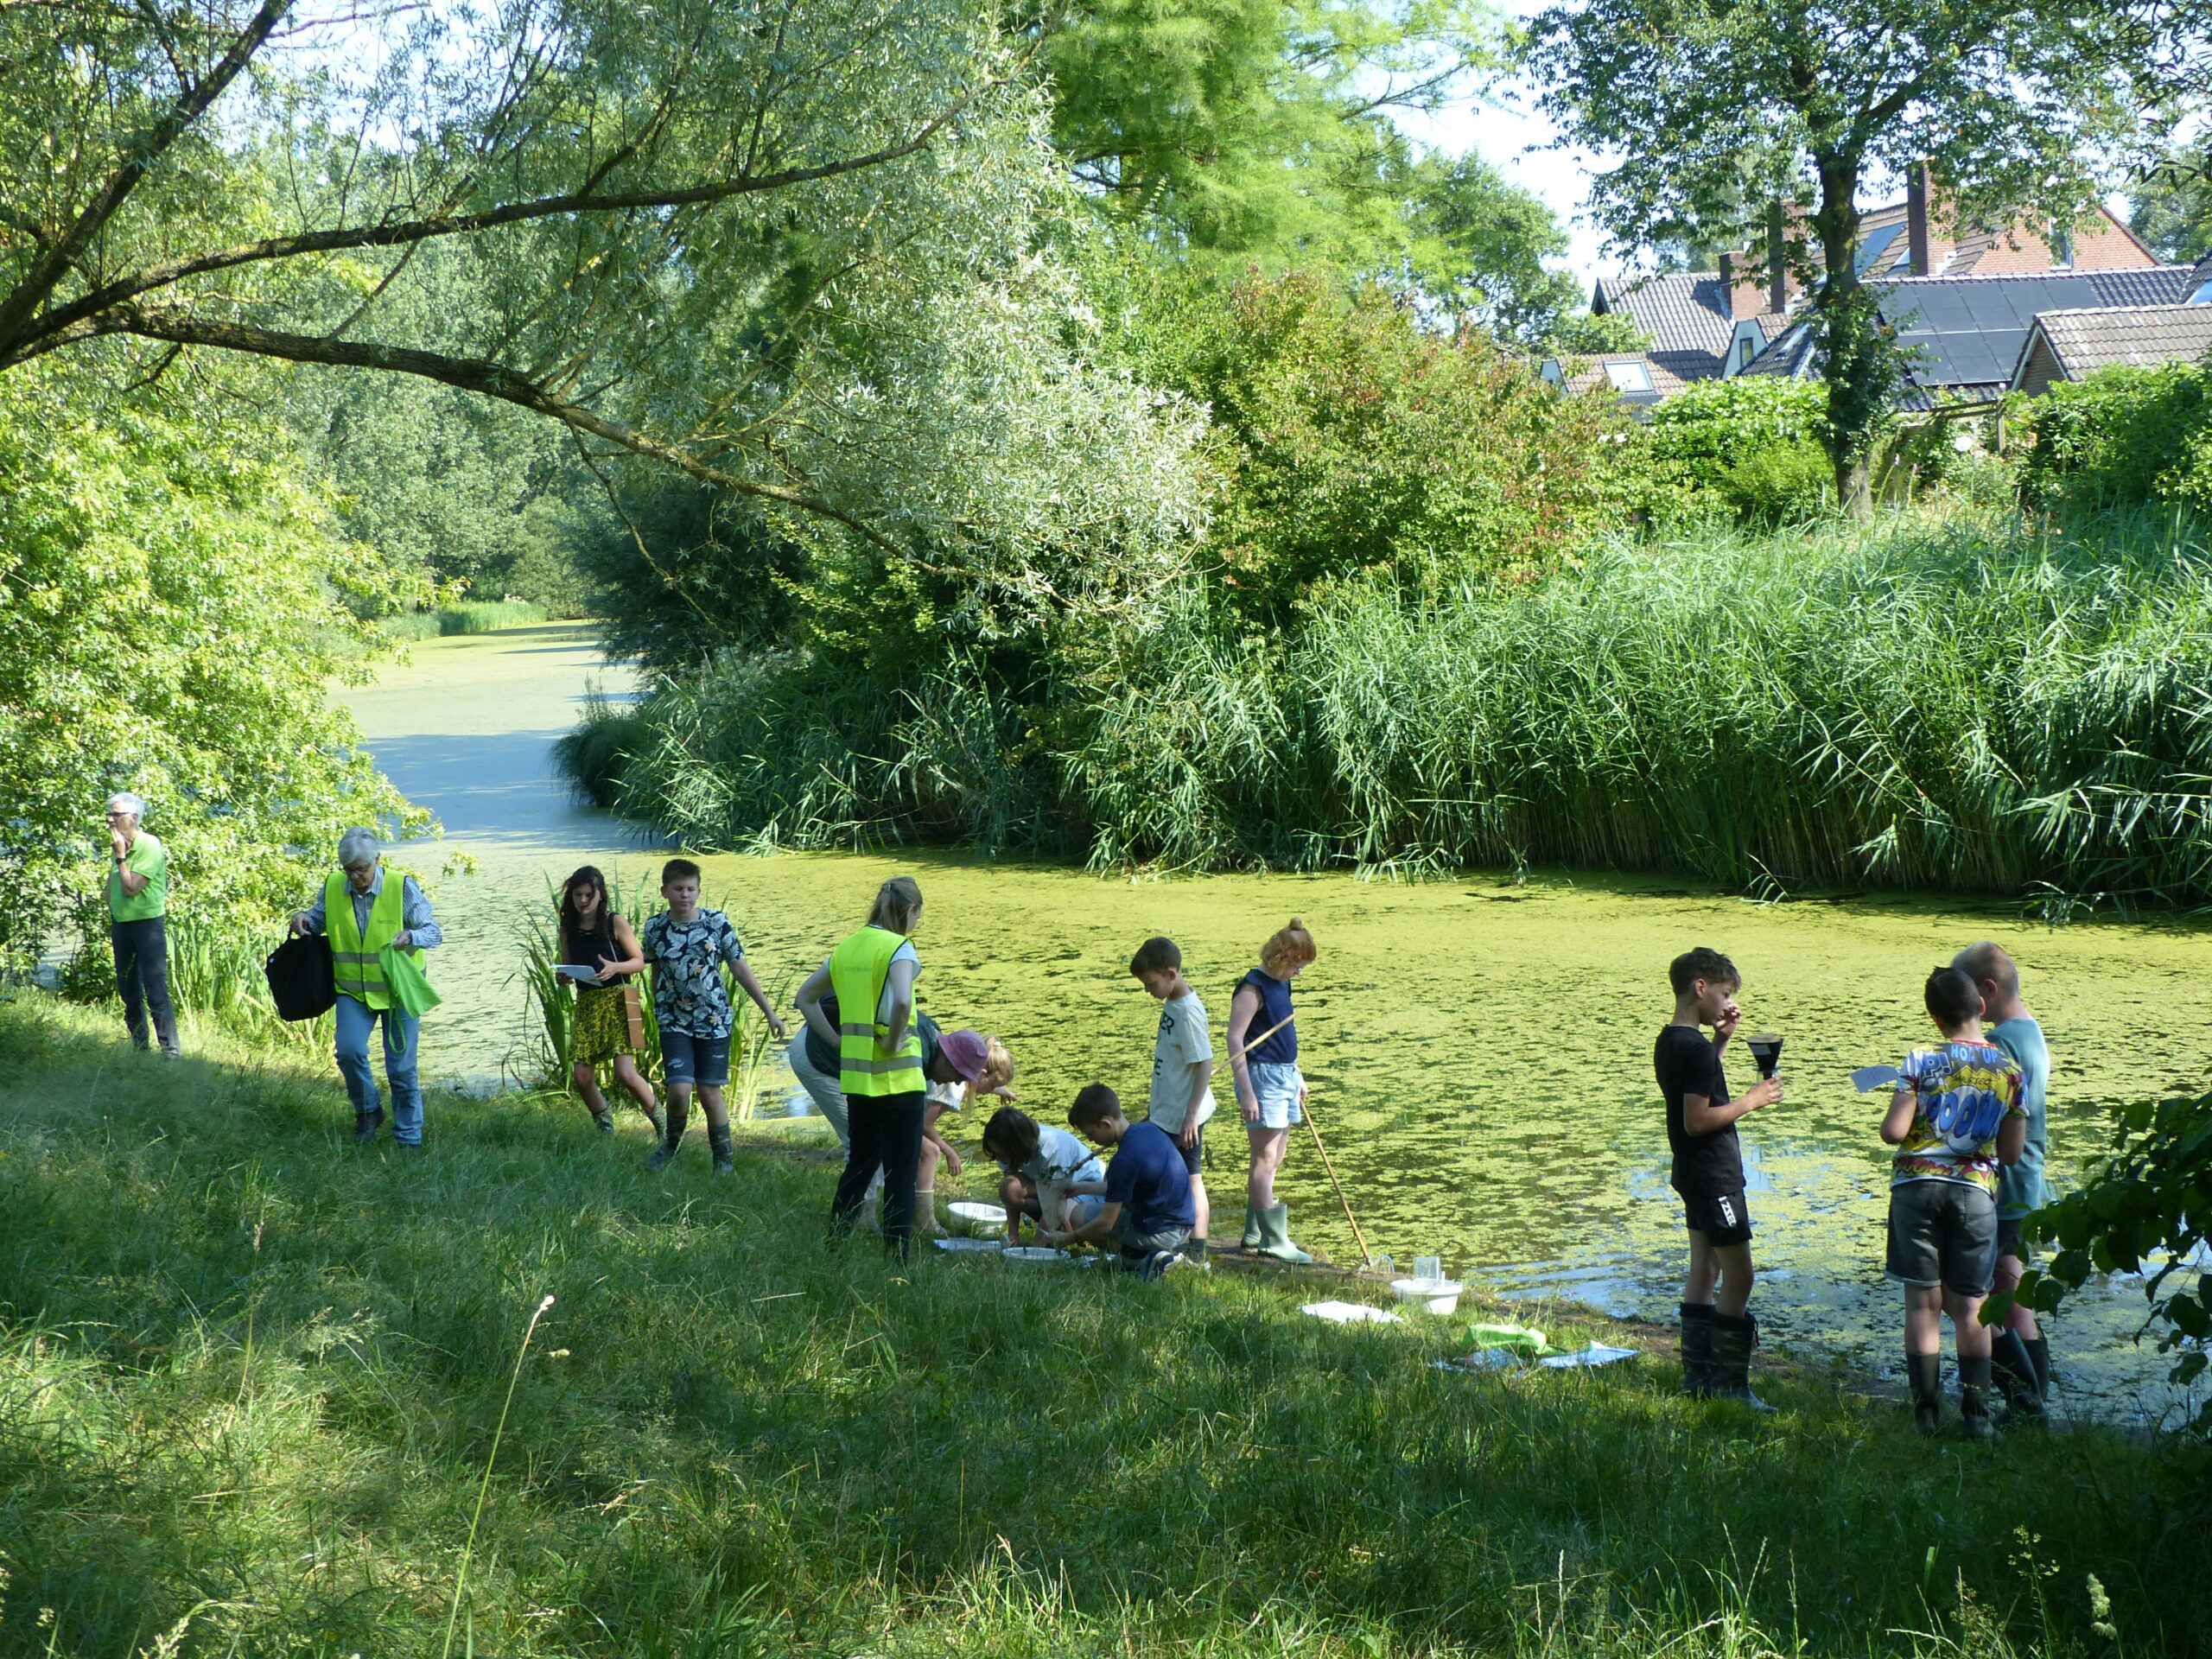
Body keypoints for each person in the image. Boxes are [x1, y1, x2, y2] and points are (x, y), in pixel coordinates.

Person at [1882, 965, 2027, 1438]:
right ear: (1981, 1007)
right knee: (1971, 1308)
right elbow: (2010, 1153)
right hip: (1975, 1196)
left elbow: (1894, 1132)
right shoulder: (2010, 1071)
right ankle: (1977, 1419)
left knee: (1923, 1305)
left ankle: (1926, 1418)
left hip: (1916, 1190)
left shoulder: (1920, 1060)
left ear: (1934, 1017)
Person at [1656, 947, 1784, 1405]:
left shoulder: (1673, 1039)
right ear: (1700, 987)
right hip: (1714, 1176)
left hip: (1692, 1172)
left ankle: (1698, 1381)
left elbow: (1699, 1079)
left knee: (1705, 1268)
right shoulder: (1692, 1048)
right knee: (1740, 1276)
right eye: (1725, 993)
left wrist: (1723, 1041)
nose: (1729, 1003)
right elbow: (1697, 1119)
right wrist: (1752, 1100)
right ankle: (1731, 1387)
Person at [798, 875, 930, 1255]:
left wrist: (837, 1041)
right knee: (901, 1170)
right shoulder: (899, 948)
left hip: (857, 1078)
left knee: (860, 1163)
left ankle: (834, 1243)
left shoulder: (847, 948)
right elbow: (903, 1002)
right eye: (918, 916)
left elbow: (805, 998)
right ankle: (897, 1259)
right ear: (910, 911)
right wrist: (890, 1040)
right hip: (900, 1079)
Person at [289, 828, 442, 1147]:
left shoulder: (402, 887)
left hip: (399, 992)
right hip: (352, 991)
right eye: (350, 870)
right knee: (349, 1051)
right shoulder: (334, 886)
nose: (357, 877)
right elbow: (319, 919)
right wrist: (303, 919)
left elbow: (433, 932)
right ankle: (368, 1110)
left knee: (401, 1069)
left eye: (363, 869)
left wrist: (411, 936)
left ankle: (408, 1139)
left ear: (377, 859)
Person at [1954, 941, 2053, 1416]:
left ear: (1986, 992)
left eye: (1965, 995)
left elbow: (1984, 1114)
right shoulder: (2029, 1031)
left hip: (2004, 1184)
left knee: (1997, 1298)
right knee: (2014, 1296)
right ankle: (2034, 1400)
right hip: (2027, 1179)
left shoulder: (2001, 1043)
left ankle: (2026, 1404)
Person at [641, 858, 785, 1175]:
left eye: (691, 889)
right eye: (678, 889)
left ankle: (723, 1161)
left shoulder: (717, 924)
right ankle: (671, 1145)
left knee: (708, 1092)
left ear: (699, 891)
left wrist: (770, 1013)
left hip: (714, 1020)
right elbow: (655, 969)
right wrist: (658, 1005)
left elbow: (740, 969)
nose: (685, 895)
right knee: (679, 1089)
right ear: (664, 891)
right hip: (674, 1020)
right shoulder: (654, 928)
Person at [1226, 918, 1318, 1262]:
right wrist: (1247, 1092)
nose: (1298, 972)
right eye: (1296, 965)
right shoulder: (1253, 988)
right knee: (1265, 1160)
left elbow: (1283, 1035)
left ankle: (1254, 1232)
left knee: (1275, 1158)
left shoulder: (1283, 984)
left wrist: (1297, 1075)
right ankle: (1274, 1241)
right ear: (1281, 957)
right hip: (1261, 1078)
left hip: (1284, 1076)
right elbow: (1236, 1038)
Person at [1042, 1084, 1194, 1279]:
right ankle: (1136, 1257)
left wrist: (1068, 1238)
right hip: (1183, 1223)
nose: (1091, 1140)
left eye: (1090, 1134)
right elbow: (1126, 1186)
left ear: (1106, 1124)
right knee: (1101, 1213)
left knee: (1076, 1214)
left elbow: (1106, 1222)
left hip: (1162, 1232)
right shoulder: (1148, 1129)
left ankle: (1146, 1256)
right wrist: (1081, 1188)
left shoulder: (1125, 1160)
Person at [556, 866, 664, 1138]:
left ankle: (664, 1124)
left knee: (625, 1074)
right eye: (578, 895)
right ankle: (605, 1128)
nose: (583, 901)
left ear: (600, 895)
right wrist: (564, 976)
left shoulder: (614, 921)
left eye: (589, 895)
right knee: (581, 1076)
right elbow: (568, 964)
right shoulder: (568, 927)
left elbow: (639, 962)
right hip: (588, 1002)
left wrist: (616, 968)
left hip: (621, 999)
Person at [1131, 935, 1216, 1262]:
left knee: (1191, 1176)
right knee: (1170, 1175)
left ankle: (1197, 1249)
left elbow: (1204, 1062)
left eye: (1150, 983)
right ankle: (1172, 1238)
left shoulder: (1188, 1012)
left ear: (1171, 974)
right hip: (1167, 1109)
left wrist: (1191, 1114)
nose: (1147, 990)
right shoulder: (1172, 1002)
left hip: (1184, 1115)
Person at [914, 1031, 1017, 1238]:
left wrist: (1000, 1091)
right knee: (932, 1152)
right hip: (907, 1117)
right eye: (994, 1086)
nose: (992, 1090)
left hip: (910, 1114)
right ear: (983, 1073)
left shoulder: (964, 1079)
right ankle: (924, 1220)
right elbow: (925, 1124)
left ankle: (915, 1214)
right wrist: (950, 1152)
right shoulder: (954, 1088)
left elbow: (979, 1086)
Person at [104, 792, 178, 1058]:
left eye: (116, 815)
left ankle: (170, 1052)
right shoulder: (117, 845)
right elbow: (111, 887)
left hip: (147, 925)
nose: (110, 820)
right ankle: (140, 1049)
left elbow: (132, 887)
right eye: (108, 815)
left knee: (155, 987)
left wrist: (122, 857)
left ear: (133, 818)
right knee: (127, 989)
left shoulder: (149, 845)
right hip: (121, 923)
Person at [982, 1104, 1107, 1243]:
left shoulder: (1053, 1149)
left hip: (1087, 1189)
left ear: (1017, 1147)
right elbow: (1012, 1193)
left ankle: (1056, 1236)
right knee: (1010, 1188)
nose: (999, 1159)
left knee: (1058, 1220)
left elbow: (1054, 1202)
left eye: (1001, 1154)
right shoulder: (1009, 1149)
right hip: (1050, 1188)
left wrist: (1035, 1251)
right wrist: (1012, 1236)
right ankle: (1051, 1232)